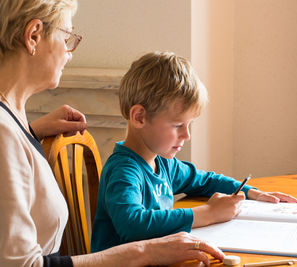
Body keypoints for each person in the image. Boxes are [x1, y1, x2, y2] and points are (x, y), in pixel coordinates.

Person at [0, 0, 226, 266]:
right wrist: (147, 251)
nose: (70, 52)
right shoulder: (4, 133)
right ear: (34, 35)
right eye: (67, 37)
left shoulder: (13, 122)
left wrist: (31, 133)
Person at [91, 51, 297, 252]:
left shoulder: (163, 164)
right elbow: (132, 225)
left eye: (189, 125)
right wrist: (208, 213)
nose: (187, 135)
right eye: (177, 125)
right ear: (139, 117)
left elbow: (204, 180)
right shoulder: (124, 171)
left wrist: (252, 193)